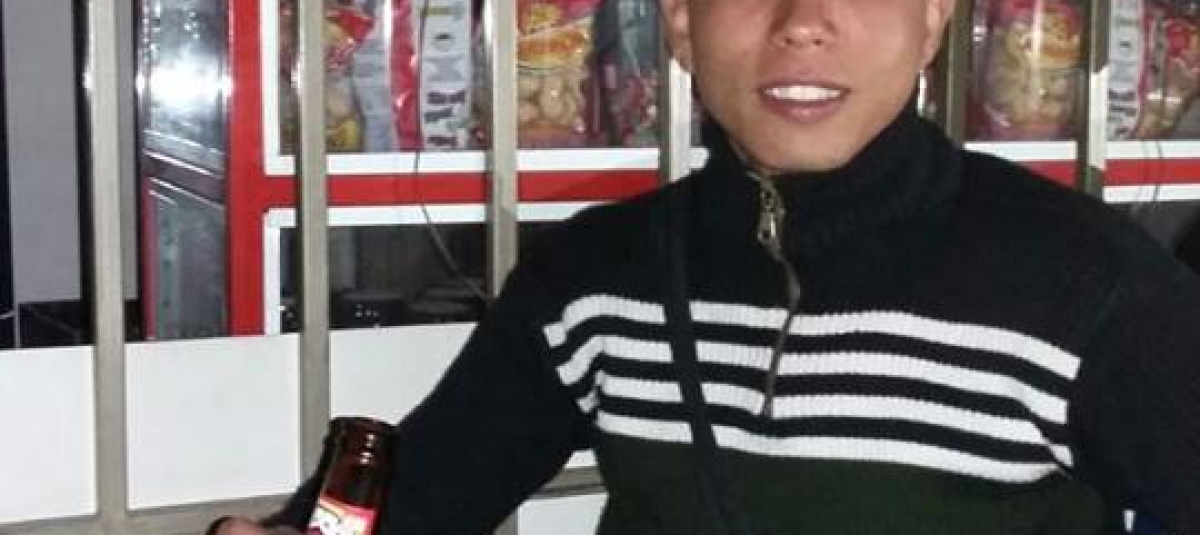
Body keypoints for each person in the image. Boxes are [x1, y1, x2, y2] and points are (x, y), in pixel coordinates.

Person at [217, 0, 1200, 533]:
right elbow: (421, 493)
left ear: (934, 19)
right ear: (681, 24)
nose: (803, 22)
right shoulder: (596, 276)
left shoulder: (1083, 282)